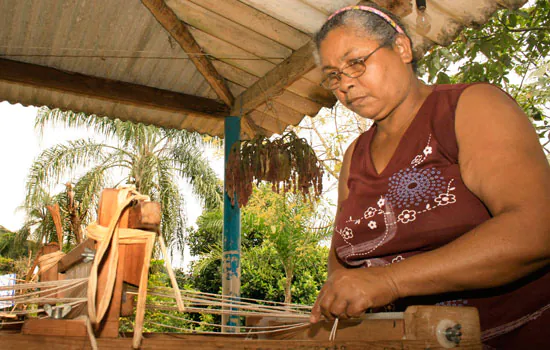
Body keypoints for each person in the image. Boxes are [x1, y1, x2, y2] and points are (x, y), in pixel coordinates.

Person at [308, 2, 550, 349]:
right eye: (333, 75)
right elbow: (341, 267)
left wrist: (389, 282)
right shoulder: (355, 155)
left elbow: (537, 228)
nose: (345, 84)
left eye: (356, 63)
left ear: (402, 48)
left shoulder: (468, 108)